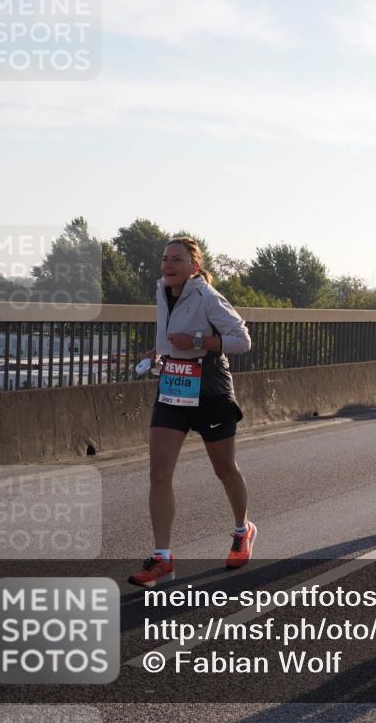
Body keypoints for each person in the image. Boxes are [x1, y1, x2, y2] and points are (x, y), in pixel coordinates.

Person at [129, 237, 254, 588]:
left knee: (224, 469)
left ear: (194, 267)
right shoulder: (162, 290)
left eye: (177, 260)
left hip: (210, 387)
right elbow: (172, 337)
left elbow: (242, 340)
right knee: (158, 472)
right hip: (172, 385)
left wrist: (198, 342)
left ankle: (242, 530)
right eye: (165, 258)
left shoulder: (208, 297)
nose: (168, 265)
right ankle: (163, 559)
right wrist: (158, 353)